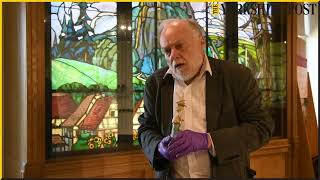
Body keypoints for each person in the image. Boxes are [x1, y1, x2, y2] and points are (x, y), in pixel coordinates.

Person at [138, 18, 274, 178]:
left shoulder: (236, 76)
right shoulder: (155, 83)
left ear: (202, 42)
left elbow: (261, 127)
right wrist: (158, 146)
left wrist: (208, 140)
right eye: (167, 51)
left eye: (179, 46)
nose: (173, 55)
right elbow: (146, 128)